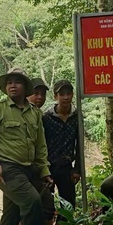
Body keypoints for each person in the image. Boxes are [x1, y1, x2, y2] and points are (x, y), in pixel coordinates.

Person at [0, 67, 54, 225]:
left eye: (17, 82)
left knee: (13, 210)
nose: (12, 86)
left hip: (28, 168)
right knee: (32, 200)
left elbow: (40, 146)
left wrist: (44, 170)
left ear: (25, 87)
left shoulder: (34, 113)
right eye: (9, 82)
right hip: (6, 167)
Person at [43, 80, 81, 209]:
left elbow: (79, 144)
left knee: (69, 206)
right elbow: (40, 144)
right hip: (48, 166)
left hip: (66, 167)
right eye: (62, 94)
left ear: (72, 95)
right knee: (46, 205)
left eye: (68, 93)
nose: (65, 97)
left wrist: (77, 169)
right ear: (55, 96)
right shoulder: (47, 117)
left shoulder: (76, 117)